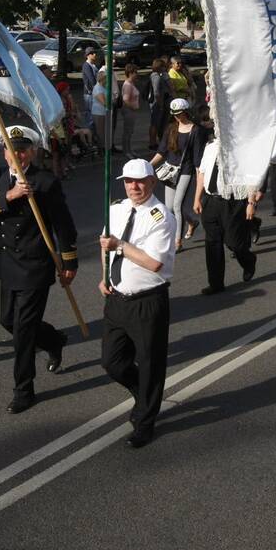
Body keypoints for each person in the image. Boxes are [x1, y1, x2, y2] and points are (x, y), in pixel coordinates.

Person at [0, 125, 77, 413]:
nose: (16, 154)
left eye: (21, 149)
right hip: (6, 262)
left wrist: (69, 261)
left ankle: (24, 390)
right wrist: (8, 197)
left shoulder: (45, 182)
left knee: (23, 332)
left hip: (34, 265)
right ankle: (54, 340)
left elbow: (63, 224)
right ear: (4, 153)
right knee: (8, 321)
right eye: (11, 149)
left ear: (31, 151)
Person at [99, 158, 177, 448]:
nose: (134, 186)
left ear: (152, 182)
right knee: (112, 362)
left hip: (148, 302)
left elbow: (155, 263)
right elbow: (104, 243)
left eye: (140, 181)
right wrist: (104, 275)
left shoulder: (162, 216)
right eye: (129, 181)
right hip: (117, 299)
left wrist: (120, 245)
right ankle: (142, 395)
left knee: (149, 364)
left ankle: (145, 421)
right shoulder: (116, 209)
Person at [193, 123, 259, 294]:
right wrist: (197, 198)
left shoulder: (242, 149)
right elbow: (202, 173)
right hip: (211, 200)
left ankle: (248, 260)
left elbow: (251, 176)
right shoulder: (210, 147)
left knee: (234, 243)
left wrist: (251, 203)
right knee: (212, 243)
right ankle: (215, 283)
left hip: (232, 201)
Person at [150, 98, 206, 250]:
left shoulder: (196, 130)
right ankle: (192, 222)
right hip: (170, 171)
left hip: (186, 171)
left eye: (179, 113)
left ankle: (177, 241)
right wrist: (147, 166)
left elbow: (198, 161)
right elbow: (162, 152)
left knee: (177, 205)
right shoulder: (171, 128)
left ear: (186, 112)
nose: (176, 116)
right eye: (174, 114)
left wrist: (198, 192)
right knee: (169, 208)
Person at [117, 63, 141, 158]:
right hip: (128, 111)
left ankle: (129, 150)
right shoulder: (128, 85)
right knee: (127, 132)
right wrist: (133, 107)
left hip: (131, 111)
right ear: (130, 73)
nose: (137, 74)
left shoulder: (131, 83)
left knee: (130, 132)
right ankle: (126, 151)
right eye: (135, 72)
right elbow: (125, 99)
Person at [148, 58, 170, 150]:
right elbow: (156, 92)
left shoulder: (158, 75)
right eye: (163, 66)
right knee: (155, 123)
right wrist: (160, 104)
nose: (165, 68)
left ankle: (157, 141)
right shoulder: (155, 76)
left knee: (157, 123)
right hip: (156, 103)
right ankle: (152, 143)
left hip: (158, 102)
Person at [81, 48, 100, 130]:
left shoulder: (93, 66)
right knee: (90, 116)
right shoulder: (86, 66)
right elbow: (92, 80)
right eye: (92, 53)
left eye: (95, 52)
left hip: (93, 93)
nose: (94, 54)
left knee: (93, 115)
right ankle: (90, 136)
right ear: (88, 55)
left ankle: (92, 135)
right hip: (89, 94)